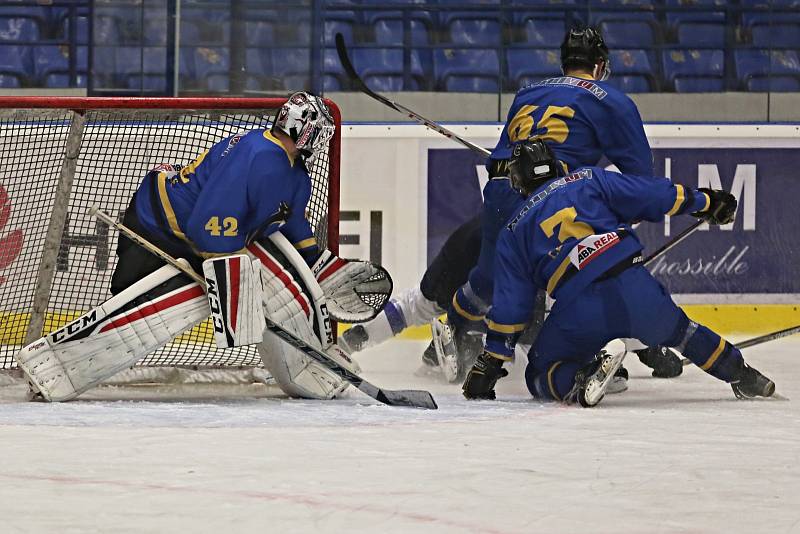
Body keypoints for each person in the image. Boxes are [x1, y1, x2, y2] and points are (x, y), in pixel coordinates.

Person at [341, 26, 683, 382]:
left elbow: (502, 159)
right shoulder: (610, 101)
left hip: (501, 196)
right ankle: (607, 355)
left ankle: (449, 331)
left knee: (477, 288)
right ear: (599, 66)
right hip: (553, 203)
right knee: (591, 277)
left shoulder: (528, 93)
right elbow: (641, 178)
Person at [15, 92, 383, 402]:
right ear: (302, 131)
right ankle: (54, 364)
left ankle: (310, 363)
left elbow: (293, 224)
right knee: (141, 300)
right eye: (318, 132)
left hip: (187, 232)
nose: (322, 140)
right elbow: (205, 227)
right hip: (156, 222)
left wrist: (319, 263)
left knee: (231, 277)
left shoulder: (293, 173)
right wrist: (235, 286)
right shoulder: (257, 156)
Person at [461, 139, 775, 405]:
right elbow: (650, 194)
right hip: (634, 283)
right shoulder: (587, 179)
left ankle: (580, 377)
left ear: (517, 182)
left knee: (540, 373)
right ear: (555, 167)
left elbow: (511, 309)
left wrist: (489, 365)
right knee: (683, 331)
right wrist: (704, 201)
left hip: (579, 307)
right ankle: (745, 376)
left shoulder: (514, 229)